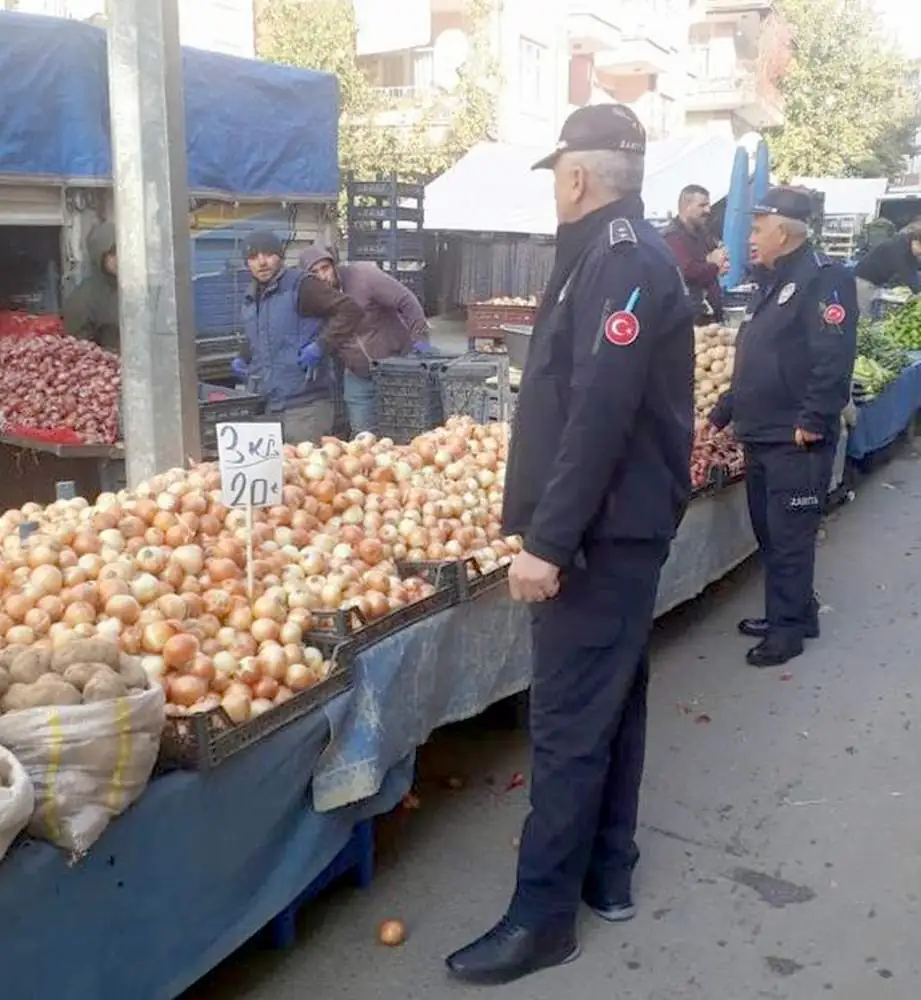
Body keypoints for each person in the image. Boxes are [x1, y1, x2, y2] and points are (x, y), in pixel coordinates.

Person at [444, 104, 694, 987]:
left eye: (555, 175)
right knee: (612, 704)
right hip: (620, 528)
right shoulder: (613, 252)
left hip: (599, 538)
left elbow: (599, 410)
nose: (555, 190)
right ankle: (608, 873)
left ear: (576, 177)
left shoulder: (618, 259)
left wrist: (546, 542)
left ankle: (541, 918)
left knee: (564, 726)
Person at [708, 187, 858, 668]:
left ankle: (787, 631)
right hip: (761, 432)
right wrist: (723, 411)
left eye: (757, 228)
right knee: (772, 534)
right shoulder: (772, 282)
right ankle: (795, 611)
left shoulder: (823, 280)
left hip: (795, 438)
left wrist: (814, 419)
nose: (750, 238)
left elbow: (833, 356)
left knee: (790, 536)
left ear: (784, 230)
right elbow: (758, 360)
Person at [231, 231, 366, 444]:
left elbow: (349, 310)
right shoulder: (250, 297)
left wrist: (322, 345)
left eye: (268, 254)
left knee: (307, 471)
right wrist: (242, 356)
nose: (262, 262)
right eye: (253, 257)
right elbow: (260, 334)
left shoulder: (302, 286)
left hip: (305, 407)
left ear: (281, 257)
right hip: (268, 405)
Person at [299, 246, 430, 434]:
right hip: (357, 372)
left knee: (403, 429)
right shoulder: (314, 298)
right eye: (314, 272)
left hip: (396, 366)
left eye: (325, 268)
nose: (322, 276)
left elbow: (406, 300)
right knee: (363, 436)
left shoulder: (364, 276)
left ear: (334, 266)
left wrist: (420, 340)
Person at [664, 185, 729, 323]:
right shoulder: (672, 237)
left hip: (711, 313)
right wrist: (713, 265)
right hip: (691, 317)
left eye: (708, 205)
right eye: (702, 205)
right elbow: (687, 271)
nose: (708, 210)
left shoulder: (702, 232)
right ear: (686, 206)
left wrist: (719, 260)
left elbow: (719, 253)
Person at [62, 220, 120, 351]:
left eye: (123, 250)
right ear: (99, 255)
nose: (119, 258)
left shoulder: (138, 292)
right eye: (112, 253)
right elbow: (80, 353)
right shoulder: (83, 299)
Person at [853, 230, 921, 316]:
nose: (920, 253)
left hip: (877, 282)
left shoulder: (908, 248)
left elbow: (915, 267)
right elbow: (907, 274)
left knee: (873, 313)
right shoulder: (899, 249)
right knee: (864, 316)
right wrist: (918, 292)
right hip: (864, 280)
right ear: (915, 241)